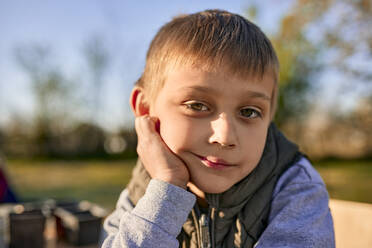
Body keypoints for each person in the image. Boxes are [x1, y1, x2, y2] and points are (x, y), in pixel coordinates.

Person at [102, 9, 335, 248]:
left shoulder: (296, 189)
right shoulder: (147, 186)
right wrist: (167, 190)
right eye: (197, 105)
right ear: (144, 108)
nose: (224, 137)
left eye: (249, 112)